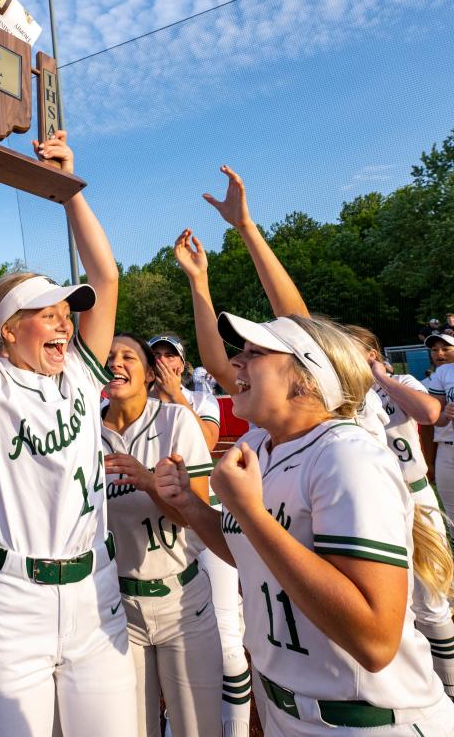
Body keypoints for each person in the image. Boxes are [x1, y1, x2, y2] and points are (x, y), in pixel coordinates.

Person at [0, 115, 136, 736]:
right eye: (47, 313)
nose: (66, 322)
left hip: (96, 590)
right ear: (9, 329)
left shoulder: (78, 372)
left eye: (66, 312)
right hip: (12, 600)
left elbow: (108, 278)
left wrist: (71, 191)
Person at [155, 312, 454, 735]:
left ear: (308, 378)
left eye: (255, 353)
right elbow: (251, 553)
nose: (236, 363)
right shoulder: (256, 444)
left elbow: (375, 640)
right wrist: (190, 505)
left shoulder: (347, 457)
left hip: (365, 720)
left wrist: (253, 515)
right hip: (285, 710)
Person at [101, 333, 221, 736]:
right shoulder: (83, 429)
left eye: (128, 356)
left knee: (197, 729)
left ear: (151, 374)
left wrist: (150, 482)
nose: (116, 362)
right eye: (109, 356)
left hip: (182, 603)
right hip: (118, 605)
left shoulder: (175, 420)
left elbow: (197, 516)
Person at [346, 325, 454, 699]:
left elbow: (429, 412)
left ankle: (450, 689)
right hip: (373, 507)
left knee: (433, 601)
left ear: (373, 354)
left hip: (416, 496)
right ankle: (409, 691)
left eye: (357, 351)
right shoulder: (341, 395)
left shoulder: (402, 380)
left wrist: (380, 379)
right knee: (393, 607)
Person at [147, 334, 220, 452]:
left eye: (169, 356)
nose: (161, 361)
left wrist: (175, 394)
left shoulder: (203, 400)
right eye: (155, 355)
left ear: (181, 366)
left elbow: (208, 444)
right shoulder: (135, 400)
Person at [424, 332, 454, 517]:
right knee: (451, 515)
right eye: (434, 350)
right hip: (447, 450)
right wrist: (444, 413)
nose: (439, 353)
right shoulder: (443, 372)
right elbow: (439, 420)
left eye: (446, 348)